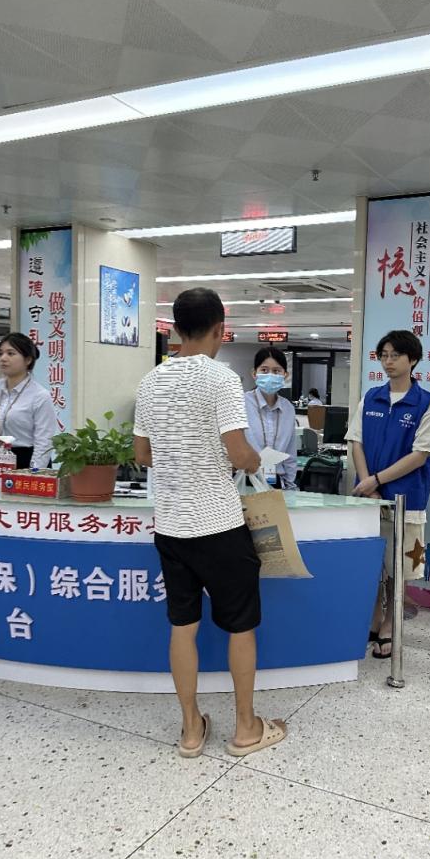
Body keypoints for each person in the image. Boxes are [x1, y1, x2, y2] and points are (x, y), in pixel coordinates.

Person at [134, 287, 287, 759]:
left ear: (174, 329)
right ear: (221, 329)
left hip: (171, 527)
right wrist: (252, 460)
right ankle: (245, 728)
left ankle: (190, 731)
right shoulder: (221, 379)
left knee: (183, 626)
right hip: (219, 524)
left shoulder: (150, 381)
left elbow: (142, 454)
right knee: (240, 626)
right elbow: (239, 453)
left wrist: (180, 456)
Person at [347, 330, 430, 659]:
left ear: (412, 360)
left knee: (399, 565)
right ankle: (374, 618)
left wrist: (376, 480)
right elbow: (356, 441)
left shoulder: (426, 403)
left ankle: (390, 623)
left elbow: (420, 455)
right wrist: (366, 483)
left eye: (395, 355)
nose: (388, 361)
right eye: (384, 355)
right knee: (373, 562)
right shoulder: (371, 398)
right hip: (368, 498)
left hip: (406, 498)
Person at [0, 333, 56, 469]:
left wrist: (34, 473)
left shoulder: (40, 396)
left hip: (28, 461)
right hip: (0, 458)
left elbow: (44, 442)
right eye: (0, 353)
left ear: (28, 360)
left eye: (10, 353)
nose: (3, 358)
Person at [244, 347, 297, 489]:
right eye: (264, 370)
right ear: (254, 373)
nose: (270, 375)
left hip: (276, 480)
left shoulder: (288, 409)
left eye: (276, 371)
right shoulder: (241, 404)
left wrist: (290, 486)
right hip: (246, 479)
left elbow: (290, 453)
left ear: (285, 375)